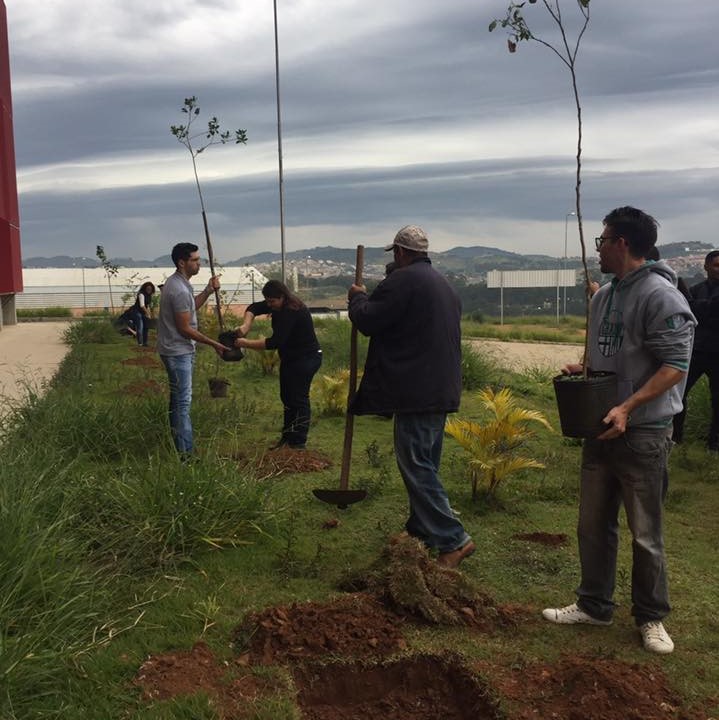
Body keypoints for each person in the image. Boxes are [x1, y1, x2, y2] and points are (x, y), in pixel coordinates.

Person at [543, 207, 695, 655]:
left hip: (643, 433)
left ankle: (651, 617)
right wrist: (586, 368)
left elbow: (675, 367)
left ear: (622, 243)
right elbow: (611, 355)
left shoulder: (661, 297)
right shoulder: (603, 296)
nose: (599, 248)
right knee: (592, 524)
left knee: (645, 532)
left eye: (603, 240)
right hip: (600, 428)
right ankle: (594, 605)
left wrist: (629, 406)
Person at [347, 225, 474, 569]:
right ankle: (420, 531)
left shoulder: (403, 281)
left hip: (418, 391)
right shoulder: (444, 284)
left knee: (416, 466)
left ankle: (452, 539)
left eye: (395, 254)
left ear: (401, 253)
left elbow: (369, 321)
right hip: (439, 388)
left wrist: (357, 297)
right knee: (426, 463)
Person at [156, 243, 229, 456]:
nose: (199, 264)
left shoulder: (181, 284)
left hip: (177, 349)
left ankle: (179, 446)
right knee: (182, 402)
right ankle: (186, 454)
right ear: (182, 262)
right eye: (195, 260)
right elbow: (185, 328)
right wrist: (215, 344)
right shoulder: (178, 289)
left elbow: (189, 309)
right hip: (178, 351)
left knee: (178, 399)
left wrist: (207, 291)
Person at [234, 280, 322, 450]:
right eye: (267, 301)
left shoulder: (291, 310)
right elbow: (254, 308)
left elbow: (275, 342)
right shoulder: (277, 305)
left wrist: (245, 343)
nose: (269, 305)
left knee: (298, 399)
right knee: (287, 397)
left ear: (282, 297)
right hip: (291, 359)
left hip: (307, 359)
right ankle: (287, 438)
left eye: (272, 301)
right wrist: (246, 325)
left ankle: (298, 443)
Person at [672, 250, 719, 450]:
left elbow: (692, 309)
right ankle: (675, 437)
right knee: (678, 395)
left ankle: (715, 444)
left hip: (717, 354)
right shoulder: (697, 289)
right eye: (716, 265)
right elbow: (686, 313)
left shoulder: (692, 294)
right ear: (706, 266)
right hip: (696, 352)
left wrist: (695, 306)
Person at [132, 281, 156, 347]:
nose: (149, 290)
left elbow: (149, 305)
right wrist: (147, 313)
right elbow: (142, 305)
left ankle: (145, 343)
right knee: (140, 327)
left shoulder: (149, 296)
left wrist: (151, 314)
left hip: (143, 312)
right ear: (145, 288)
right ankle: (140, 343)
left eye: (150, 289)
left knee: (146, 327)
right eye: (148, 289)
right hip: (136, 311)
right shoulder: (141, 294)